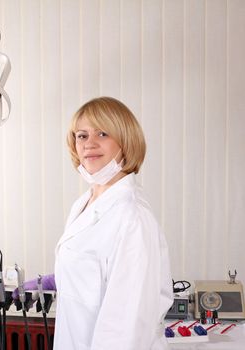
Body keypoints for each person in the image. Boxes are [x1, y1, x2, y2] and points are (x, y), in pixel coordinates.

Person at [15, 97, 173, 349]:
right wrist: (59, 279)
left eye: (102, 133)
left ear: (126, 140)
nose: (89, 144)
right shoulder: (85, 203)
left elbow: (126, 326)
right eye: (82, 135)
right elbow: (100, 270)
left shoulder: (133, 216)